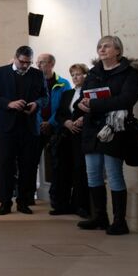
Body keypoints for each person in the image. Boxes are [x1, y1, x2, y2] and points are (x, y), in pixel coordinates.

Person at [76, 35, 138, 235]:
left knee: (113, 174)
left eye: (106, 46)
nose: (102, 49)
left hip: (114, 128)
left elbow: (127, 99)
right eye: (99, 46)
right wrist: (81, 105)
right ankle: (100, 217)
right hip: (92, 128)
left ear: (118, 51)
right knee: (93, 173)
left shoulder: (128, 72)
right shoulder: (93, 73)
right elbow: (82, 96)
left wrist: (94, 105)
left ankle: (120, 221)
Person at [0, 46, 46, 215]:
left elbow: (45, 97)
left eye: (28, 63)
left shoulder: (37, 74)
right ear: (15, 58)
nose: (25, 66)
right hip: (7, 126)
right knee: (6, 165)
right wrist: (9, 103)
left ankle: (23, 201)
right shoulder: (1, 72)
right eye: (22, 62)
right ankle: (5, 203)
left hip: (29, 125)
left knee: (27, 165)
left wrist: (37, 104)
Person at [52, 63, 90, 217]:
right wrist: (66, 122)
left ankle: (81, 206)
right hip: (66, 135)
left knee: (80, 170)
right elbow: (60, 113)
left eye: (78, 74)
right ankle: (62, 205)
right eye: (73, 75)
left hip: (82, 134)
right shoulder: (67, 93)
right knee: (63, 169)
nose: (75, 77)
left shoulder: (89, 92)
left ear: (86, 75)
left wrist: (81, 120)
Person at [36, 53, 71, 212]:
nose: (38, 65)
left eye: (41, 62)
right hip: (37, 127)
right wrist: (40, 123)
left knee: (58, 165)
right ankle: (28, 196)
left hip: (56, 128)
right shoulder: (34, 83)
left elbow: (64, 107)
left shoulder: (63, 83)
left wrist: (50, 122)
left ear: (51, 64)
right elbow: (33, 105)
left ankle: (57, 201)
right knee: (30, 162)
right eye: (37, 62)